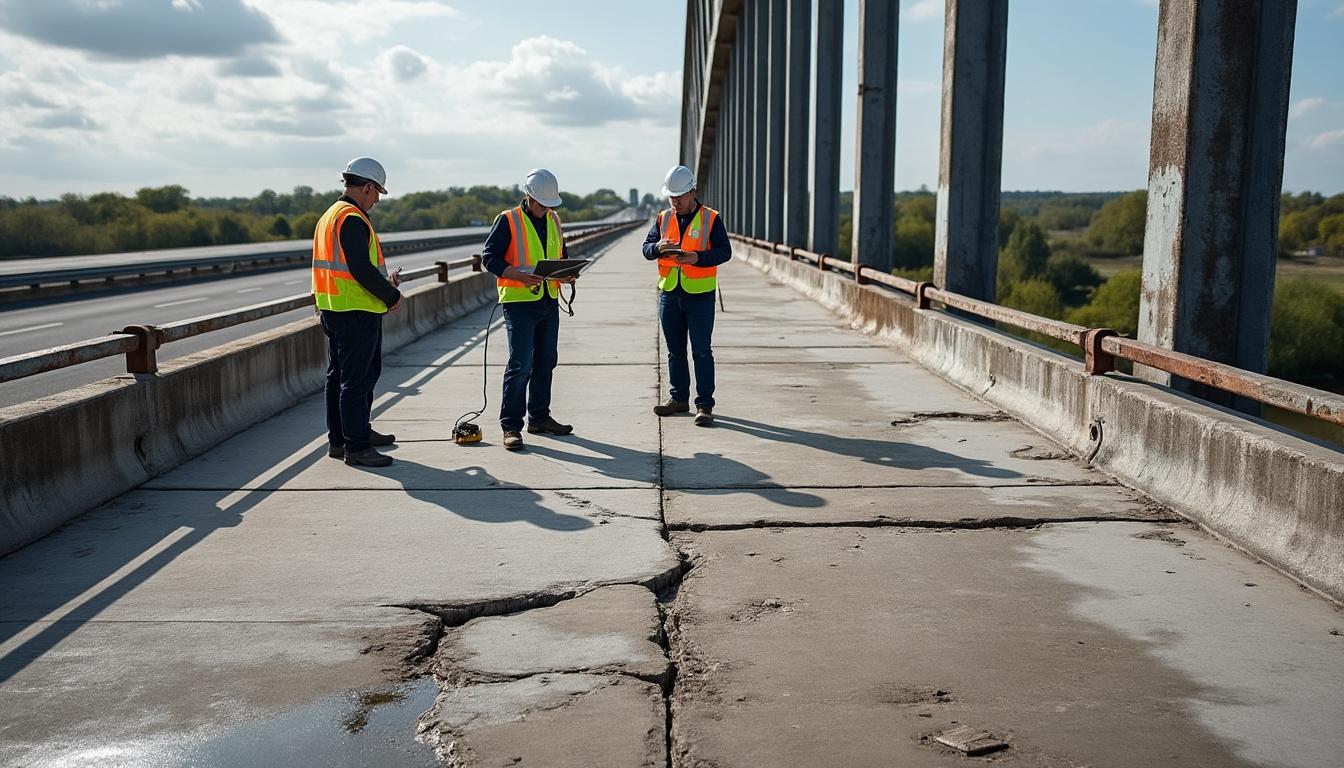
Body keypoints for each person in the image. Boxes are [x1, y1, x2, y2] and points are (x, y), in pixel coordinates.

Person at [311, 157, 403, 467]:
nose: (377, 200)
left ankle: (342, 439)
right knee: (357, 381)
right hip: (356, 311)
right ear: (367, 188)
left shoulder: (330, 215)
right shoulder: (352, 218)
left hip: (334, 307)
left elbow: (349, 268)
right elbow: (360, 268)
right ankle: (357, 447)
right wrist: (391, 295)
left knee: (339, 377)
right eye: (377, 193)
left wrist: (384, 284)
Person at [480, 168, 578, 451]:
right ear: (529, 197)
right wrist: (518, 275)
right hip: (519, 302)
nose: (547, 209)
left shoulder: (554, 219)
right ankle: (511, 426)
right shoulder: (508, 220)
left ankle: (539, 417)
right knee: (521, 362)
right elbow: (489, 258)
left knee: (546, 360)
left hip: (548, 299)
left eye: (550, 205)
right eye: (542, 204)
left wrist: (567, 274)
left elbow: (561, 256)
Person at [642, 165, 731, 427]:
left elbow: (724, 251)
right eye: (672, 196)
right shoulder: (663, 218)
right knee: (675, 351)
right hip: (669, 293)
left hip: (700, 295)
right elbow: (646, 249)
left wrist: (697, 258)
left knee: (701, 351)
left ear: (693, 192)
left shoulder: (711, 219)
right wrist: (657, 247)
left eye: (679, 195)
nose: (675, 201)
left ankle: (704, 405)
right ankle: (678, 398)